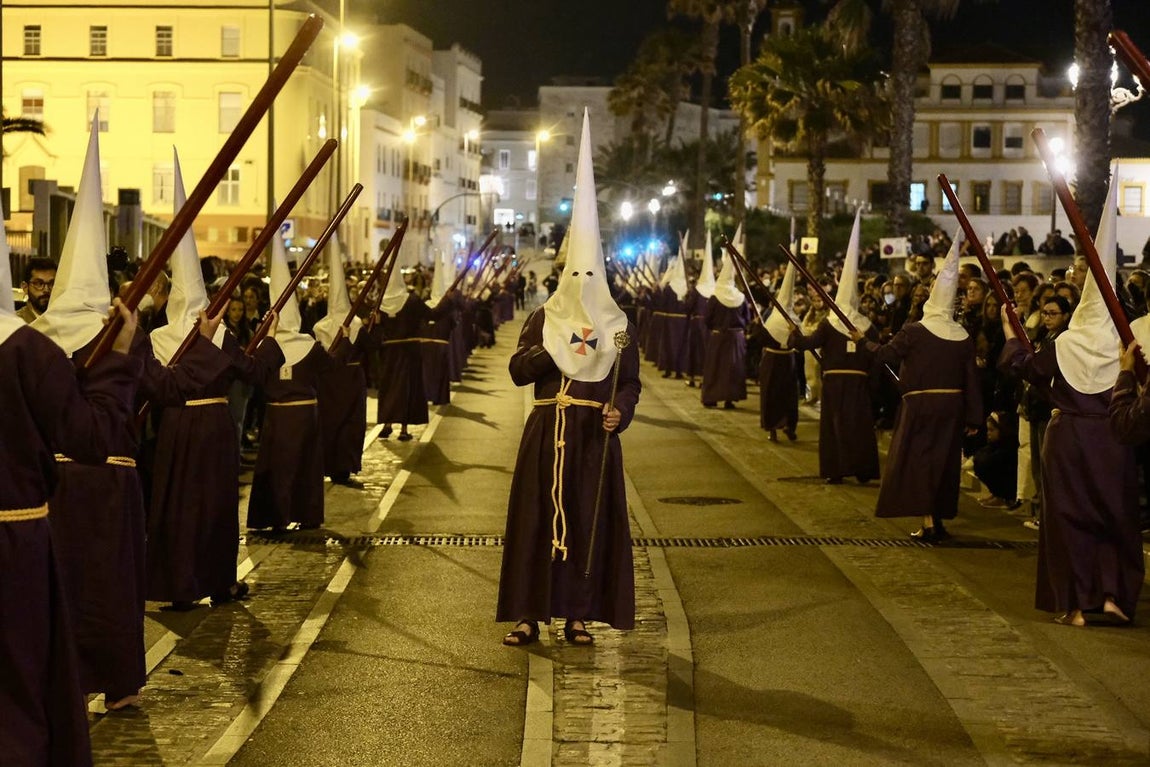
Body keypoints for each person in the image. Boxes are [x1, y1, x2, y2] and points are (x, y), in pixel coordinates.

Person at [498, 112, 640, 648]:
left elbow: (629, 382)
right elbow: (517, 371)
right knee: (536, 524)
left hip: (591, 439)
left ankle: (578, 615)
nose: (581, 285)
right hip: (544, 433)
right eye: (573, 275)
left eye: (589, 275)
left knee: (587, 524)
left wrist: (619, 413)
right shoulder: (542, 318)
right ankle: (528, 614)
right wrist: (549, 349)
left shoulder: (618, 325)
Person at [0, 293, 141, 767]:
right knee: (19, 687)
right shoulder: (24, 350)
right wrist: (118, 357)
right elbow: (90, 437)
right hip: (12, 546)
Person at [1002, 183, 1141, 627]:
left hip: (1068, 441)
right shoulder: (1130, 343)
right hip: (1114, 438)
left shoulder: (1066, 342)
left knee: (1068, 519)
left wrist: (1011, 335)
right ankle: (1115, 597)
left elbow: (1027, 367)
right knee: (1116, 517)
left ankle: (1077, 604)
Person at [858, 231, 982, 541]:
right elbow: (971, 380)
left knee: (921, 462)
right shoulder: (962, 336)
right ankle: (937, 520)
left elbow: (885, 354)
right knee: (944, 464)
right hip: (952, 408)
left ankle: (928, 521)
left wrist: (863, 342)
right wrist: (974, 417)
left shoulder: (914, 332)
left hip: (920, 408)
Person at [792, 211, 880, 484]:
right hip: (854, 386)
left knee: (836, 427)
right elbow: (877, 353)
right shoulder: (866, 325)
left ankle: (837, 470)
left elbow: (807, 344)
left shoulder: (832, 324)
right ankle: (861, 470)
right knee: (857, 427)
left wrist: (795, 334)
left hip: (839, 385)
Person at [700, 252, 750, 409]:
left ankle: (712, 398)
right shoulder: (740, 297)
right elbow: (747, 318)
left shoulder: (715, 298)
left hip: (719, 337)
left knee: (715, 368)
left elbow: (707, 318)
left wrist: (714, 329)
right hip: (736, 338)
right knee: (732, 369)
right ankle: (730, 398)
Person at [17, 257, 57, 324]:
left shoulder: (66, 319)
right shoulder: (16, 323)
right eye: (39, 284)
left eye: (52, 284)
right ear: (25, 287)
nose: (46, 290)